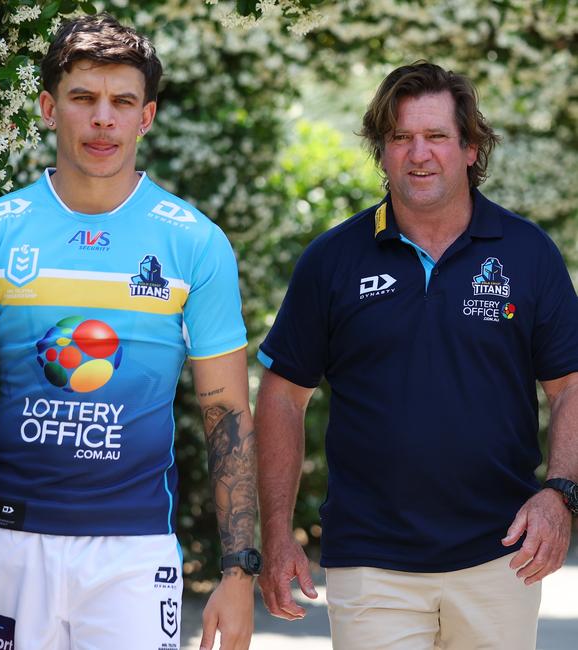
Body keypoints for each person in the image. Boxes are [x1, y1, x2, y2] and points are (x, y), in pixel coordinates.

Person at [0, 13, 259, 650]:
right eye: (84, 99)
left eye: (122, 102)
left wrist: (238, 569)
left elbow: (227, 413)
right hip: (9, 548)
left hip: (134, 557)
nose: (103, 118)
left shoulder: (194, 243)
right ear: (50, 108)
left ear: (147, 116)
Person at [255, 61, 578, 649]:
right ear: (381, 151)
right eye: (400, 138)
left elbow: (569, 385)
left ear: (471, 148)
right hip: (371, 563)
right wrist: (276, 532)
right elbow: (282, 396)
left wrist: (560, 494)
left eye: (435, 137)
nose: (418, 154)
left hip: (501, 555)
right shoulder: (332, 261)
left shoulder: (529, 254)